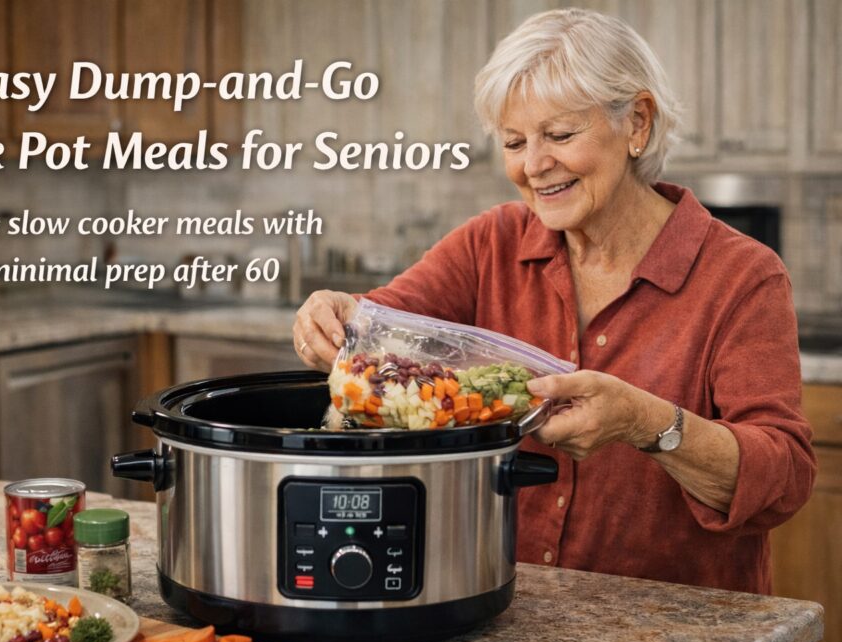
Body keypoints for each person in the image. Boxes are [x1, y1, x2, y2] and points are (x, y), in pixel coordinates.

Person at [292, 8, 814, 594]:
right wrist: (335, 314)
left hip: (677, 630)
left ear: (637, 124)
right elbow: (382, 322)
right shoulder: (490, 244)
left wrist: (644, 422)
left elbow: (783, 477)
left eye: (560, 136)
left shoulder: (742, 276)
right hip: (511, 609)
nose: (534, 165)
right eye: (514, 142)